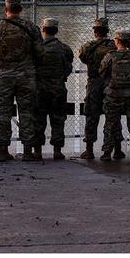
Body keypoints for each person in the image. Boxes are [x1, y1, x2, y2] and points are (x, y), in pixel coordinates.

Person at [0, 0, 44, 162]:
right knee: (26, 112)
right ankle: (28, 151)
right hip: (26, 76)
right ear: (20, 9)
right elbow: (40, 53)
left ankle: (2, 150)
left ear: (5, 9)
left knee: (3, 113)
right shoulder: (31, 28)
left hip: (3, 76)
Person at [99, 30, 130, 161]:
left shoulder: (110, 56)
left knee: (110, 123)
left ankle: (107, 152)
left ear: (117, 41)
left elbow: (102, 73)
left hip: (113, 94)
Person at [78, 17, 123, 160]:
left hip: (94, 83)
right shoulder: (114, 46)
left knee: (91, 116)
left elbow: (83, 58)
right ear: (107, 31)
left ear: (95, 31)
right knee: (113, 116)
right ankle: (117, 150)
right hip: (111, 83)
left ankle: (89, 150)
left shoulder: (87, 47)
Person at [34, 18, 74, 160]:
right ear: (56, 31)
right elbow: (69, 66)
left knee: (38, 119)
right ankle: (57, 151)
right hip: (58, 89)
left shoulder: (36, 48)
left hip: (39, 89)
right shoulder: (64, 48)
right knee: (57, 119)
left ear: (43, 29)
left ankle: (37, 151)